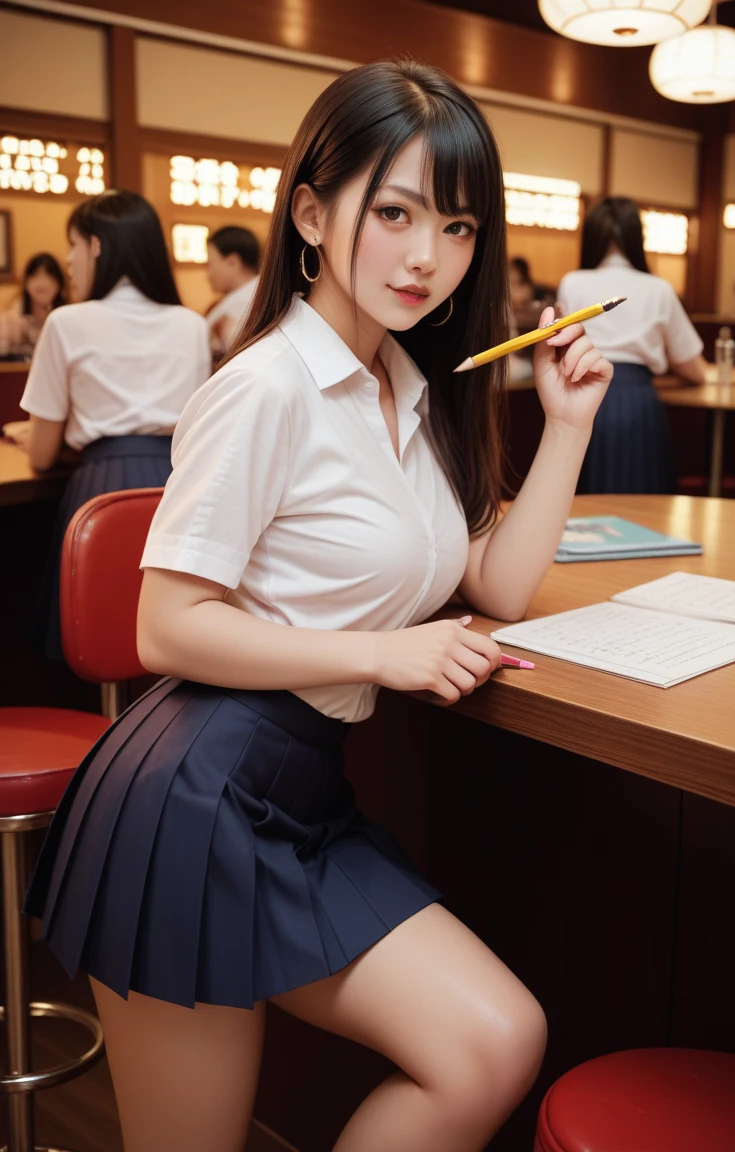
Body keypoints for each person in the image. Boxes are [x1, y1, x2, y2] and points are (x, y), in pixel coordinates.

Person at [24, 60, 612, 1152]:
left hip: (299, 791)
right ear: (309, 211)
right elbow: (167, 626)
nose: (428, 255)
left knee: (493, 1040)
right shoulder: (263, 389)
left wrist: (567, 424)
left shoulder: (411, 387)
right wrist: (384, 653)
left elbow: (498, 584)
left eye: (458, 225)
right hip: (191, 795)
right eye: (393, 212)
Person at [2, 190, 210, 660]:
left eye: (72, 246)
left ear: (95, 245)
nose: (68, 261)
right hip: (178, 489)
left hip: (102, 488)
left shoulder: (66, 322)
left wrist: (31, 434)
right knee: (172, 636)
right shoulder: (191, 324)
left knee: (100, 633)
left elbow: (41, 454)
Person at [558, 196, 706, 494]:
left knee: (583, 505)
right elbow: (694, 369)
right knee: (642, 500)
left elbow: (561, 349)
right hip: (639, 402)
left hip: (583, 395)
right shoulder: (659, 288)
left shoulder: (572, 282)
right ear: (637, 238)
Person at [205, 224, 261, 356]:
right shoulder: (249, 294)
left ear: (232, 262)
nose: (208, 275)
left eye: (210, 264)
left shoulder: (246, 302)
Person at [0, 251, 67, 351]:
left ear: (60, 284)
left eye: (48, 276)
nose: (42, 282)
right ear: (26, 282)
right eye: (35, 276)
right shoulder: (12, 320)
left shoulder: (67, 318)